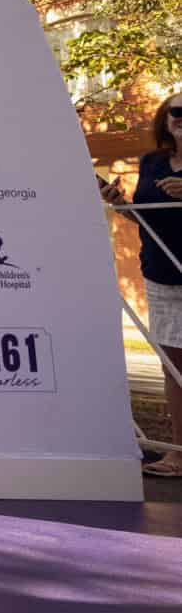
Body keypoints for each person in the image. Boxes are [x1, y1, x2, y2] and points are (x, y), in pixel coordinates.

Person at [111, 92, 182, 476]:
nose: (181, 118)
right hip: (161, 275)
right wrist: (122, 206)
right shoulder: (153, 162)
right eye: (176, 111)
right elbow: (149, 220)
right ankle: (178, 453)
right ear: (164, 119)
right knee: (172, 368)